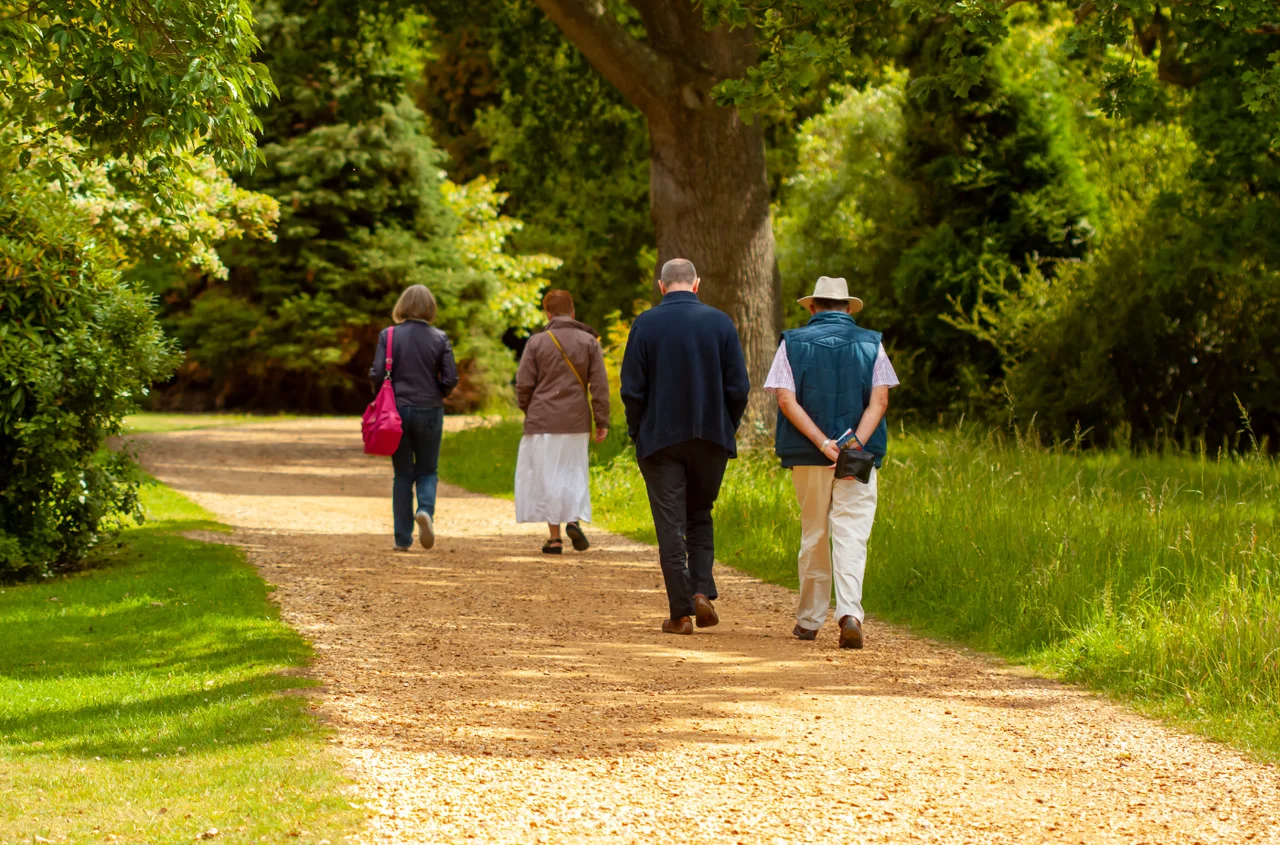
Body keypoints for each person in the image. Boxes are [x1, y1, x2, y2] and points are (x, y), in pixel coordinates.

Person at [765, 275, 899, 649]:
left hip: (809, 455)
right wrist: (853, 443)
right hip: (859, 455)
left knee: (814, 533)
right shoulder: (873, 343)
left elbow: (786, 401)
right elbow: (880, 402)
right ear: (848, 308)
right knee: (852, 532)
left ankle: (809, 621)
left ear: (812, 307)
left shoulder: (791, 343)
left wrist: (824, 444)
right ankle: (850, 614)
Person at [620, 258, 751, 635]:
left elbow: (632, 390)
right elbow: (738, 389)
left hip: (660, 440)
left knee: (670, 524)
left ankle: (680, 613)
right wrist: (726, 426)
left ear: (662, 286)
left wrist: (637, 434)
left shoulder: (644, 324)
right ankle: (700, 591)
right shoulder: (721, 322)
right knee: (700, 513)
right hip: (711, 437)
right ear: (697, 284)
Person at [514, 290, 610, 554]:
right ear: (573, 312)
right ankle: (573, 520)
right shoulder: (590, 341)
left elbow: (523, 385)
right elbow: (599, 386)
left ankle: (554, 538)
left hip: (543, 419)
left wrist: (530, 409)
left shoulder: (536, 343)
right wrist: (601, 419)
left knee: (547, 476)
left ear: (548, 313)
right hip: (576, 421)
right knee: (572, 471)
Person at [370, 284, 459, 551]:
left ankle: (402, 539)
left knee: (402, 474)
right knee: (428, 469)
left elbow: (376, 373)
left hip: (395, 411)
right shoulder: (440, 338)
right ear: (430, 309)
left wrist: (381, 397)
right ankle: (425, 511)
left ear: (402, 306)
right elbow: (451, 378)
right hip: (430, 409)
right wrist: (438, 392)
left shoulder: (389, 334)